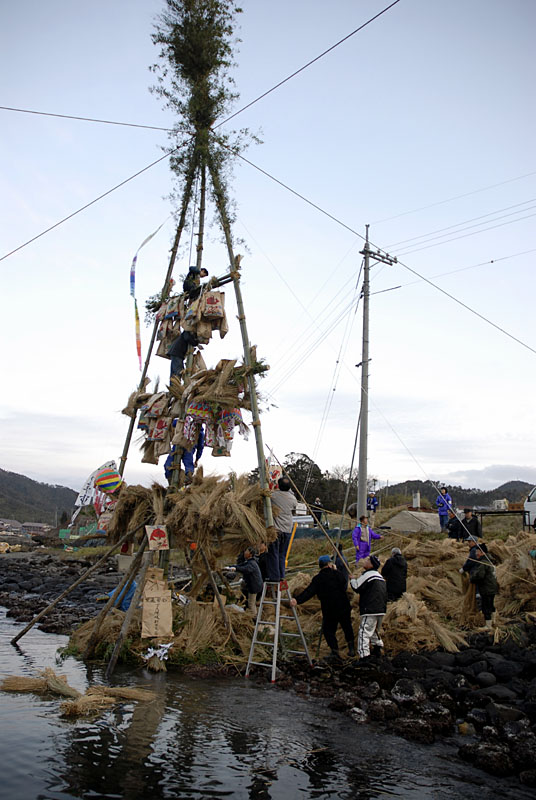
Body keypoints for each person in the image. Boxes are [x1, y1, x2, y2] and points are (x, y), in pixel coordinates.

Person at [290, 555, 355, 659]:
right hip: (343, 605)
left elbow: (309, 592)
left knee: (328, 630)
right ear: (329, 564)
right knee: (347, 627)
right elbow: (344, 584)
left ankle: (334, 650)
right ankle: (351, 648)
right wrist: (336, 570)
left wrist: (297, 600)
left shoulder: (318, 579)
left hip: (329, 608)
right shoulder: (337, 575)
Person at [350, 554, 387, 659]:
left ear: (371, 565)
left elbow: (357, 587)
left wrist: (352, 579)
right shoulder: (379, 577)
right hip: (380, 608)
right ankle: (378, 648)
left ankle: (364, 656)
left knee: (364, 632)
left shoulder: (368, 575)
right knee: (374, 630)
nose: (365, 562)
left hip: (370, 608)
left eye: (367, 561)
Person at [268, 476, 297, 582]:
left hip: (276, 530)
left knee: (273, 554)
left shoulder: (273, 496)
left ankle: (274, 578)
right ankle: (281, 576)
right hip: (288, 529)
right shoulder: (293, 498)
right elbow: (294, 508)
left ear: (278, 485)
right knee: (282, 555)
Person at [470, 544, 498, 628]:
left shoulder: (483, 563)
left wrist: (472, 578)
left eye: (477, 552)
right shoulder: (489, 560)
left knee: (486, 607)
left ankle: (488, 625)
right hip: (492, 588)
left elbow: (480, 575)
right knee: (491, 605)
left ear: (482, 552)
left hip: (487, 588)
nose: (476, 554)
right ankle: (494, 621)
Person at [229, 547, 263, 614]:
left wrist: (235, 569)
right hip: (251, 585)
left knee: (251, 604)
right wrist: (231, 567)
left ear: (250, 554)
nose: (245, 553)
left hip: (254, 587)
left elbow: (245, 569)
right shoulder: (249, 561)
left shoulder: (252, 563)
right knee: (243, 585)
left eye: (246, 552)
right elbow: (240, 566)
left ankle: (254, 619)